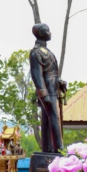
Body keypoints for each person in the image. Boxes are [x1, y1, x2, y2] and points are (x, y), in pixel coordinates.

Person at [29, 23, 66, 156]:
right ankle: (60, 149)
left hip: (53, 88)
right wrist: (43, 95)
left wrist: (59, 82)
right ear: (40, 33)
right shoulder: (35, 53)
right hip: (47, 92)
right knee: (54, 118)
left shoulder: (48, 52)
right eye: (47, 31)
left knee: (46, 121)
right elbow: (37, 76)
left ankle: (48, 148)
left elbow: (52, 72)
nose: (50, 33)